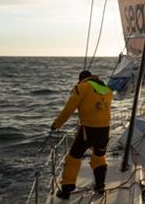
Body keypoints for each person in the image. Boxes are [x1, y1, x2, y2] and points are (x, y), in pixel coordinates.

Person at [51, 70, 113, 199]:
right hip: (105, 130)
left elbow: (69, 109)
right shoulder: (106, 89)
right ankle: (100, 186)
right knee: (99, 157)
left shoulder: (82, 87)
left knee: (73, 157)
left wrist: (57, 124)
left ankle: (66, 190)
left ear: (81, 79)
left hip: (88, 130)